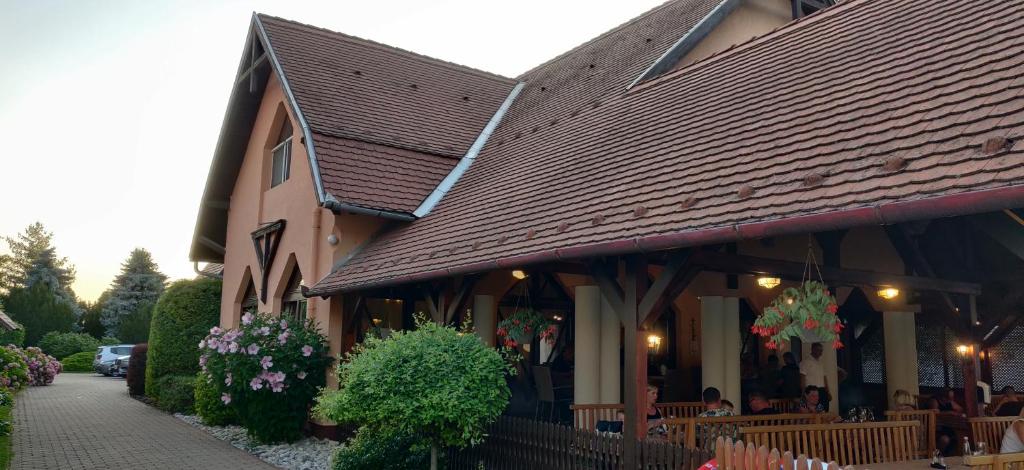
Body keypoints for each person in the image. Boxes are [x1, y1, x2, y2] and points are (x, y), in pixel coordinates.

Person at [800, 343, 830, 409]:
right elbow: (802, 378)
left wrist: (828, 391)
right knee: (814, 410)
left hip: (822, 390)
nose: (820, 353)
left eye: (821, 351)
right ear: (813, 349)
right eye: (819, 350)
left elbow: (824, 377)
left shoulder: (821, 363)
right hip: (812, 391)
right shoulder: (805, 362)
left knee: (824, 409)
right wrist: (803, 392)